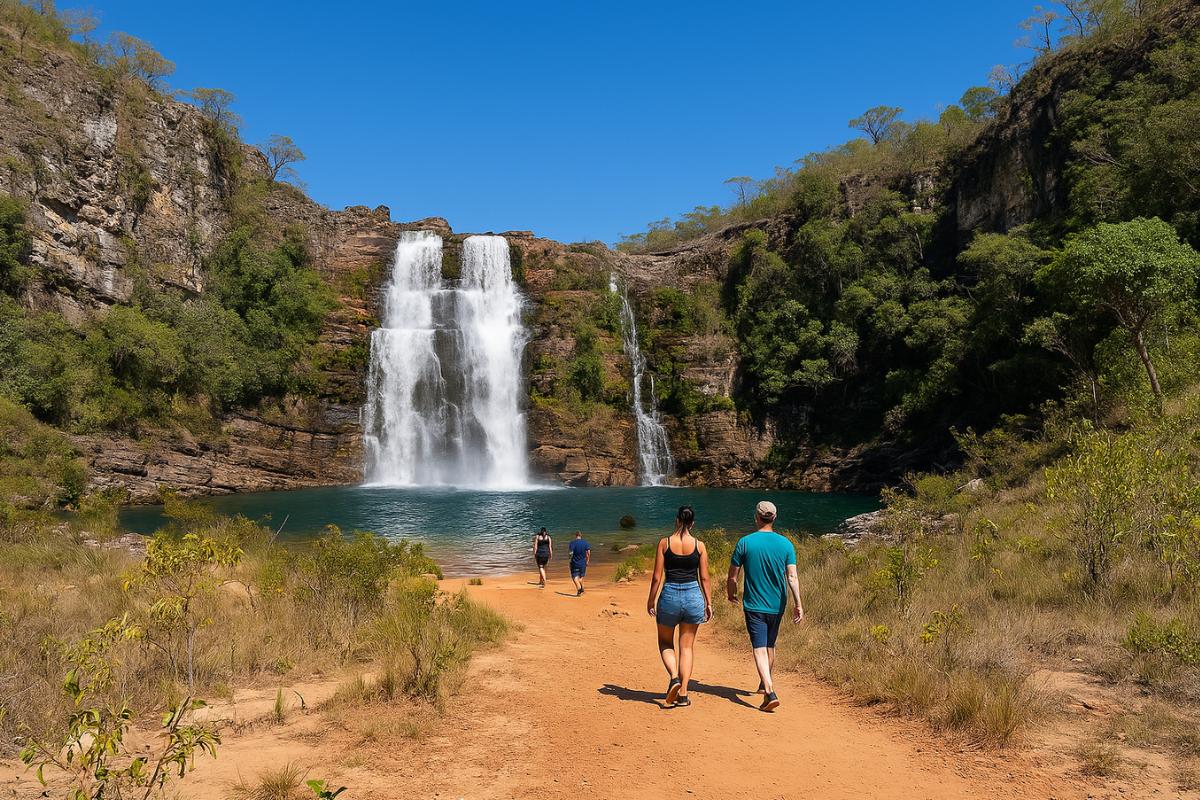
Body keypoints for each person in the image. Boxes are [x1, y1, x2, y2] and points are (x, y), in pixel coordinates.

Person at [726, 500, 804, 712]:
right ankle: (764, 680)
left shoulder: (745, 542)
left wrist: (731, 594)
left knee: (759, 647)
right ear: (774, 518)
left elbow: (733, 576)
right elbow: (792, 576)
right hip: (778, 603)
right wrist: (798, 604)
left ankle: (769, 692)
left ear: (756, 517)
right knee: (770, 645)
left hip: (755, 604)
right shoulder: (786, 544)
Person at [646, 505, 711, 708]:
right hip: (693, 596)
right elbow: (705, 578)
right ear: (692, 523)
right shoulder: (699, 546)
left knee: (665, 643)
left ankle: (674, 677)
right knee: (687, 647)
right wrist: (709, 602)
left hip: (670, 595)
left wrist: (651, 600)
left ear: (676, 520)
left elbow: (657, 577)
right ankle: (683, 693)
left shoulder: (664, 543)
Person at [568, 531, 590, 596]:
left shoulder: (572, 543)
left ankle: (579, 588)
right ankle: (581, 588)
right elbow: (588, 552)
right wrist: (588, 560)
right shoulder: (585, 543)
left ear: (576, 535)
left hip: (574, 562)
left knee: (574, 576)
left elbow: (570, 553)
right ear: (581, 535)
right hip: (583, 563)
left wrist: (569, 560)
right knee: (581, 576)